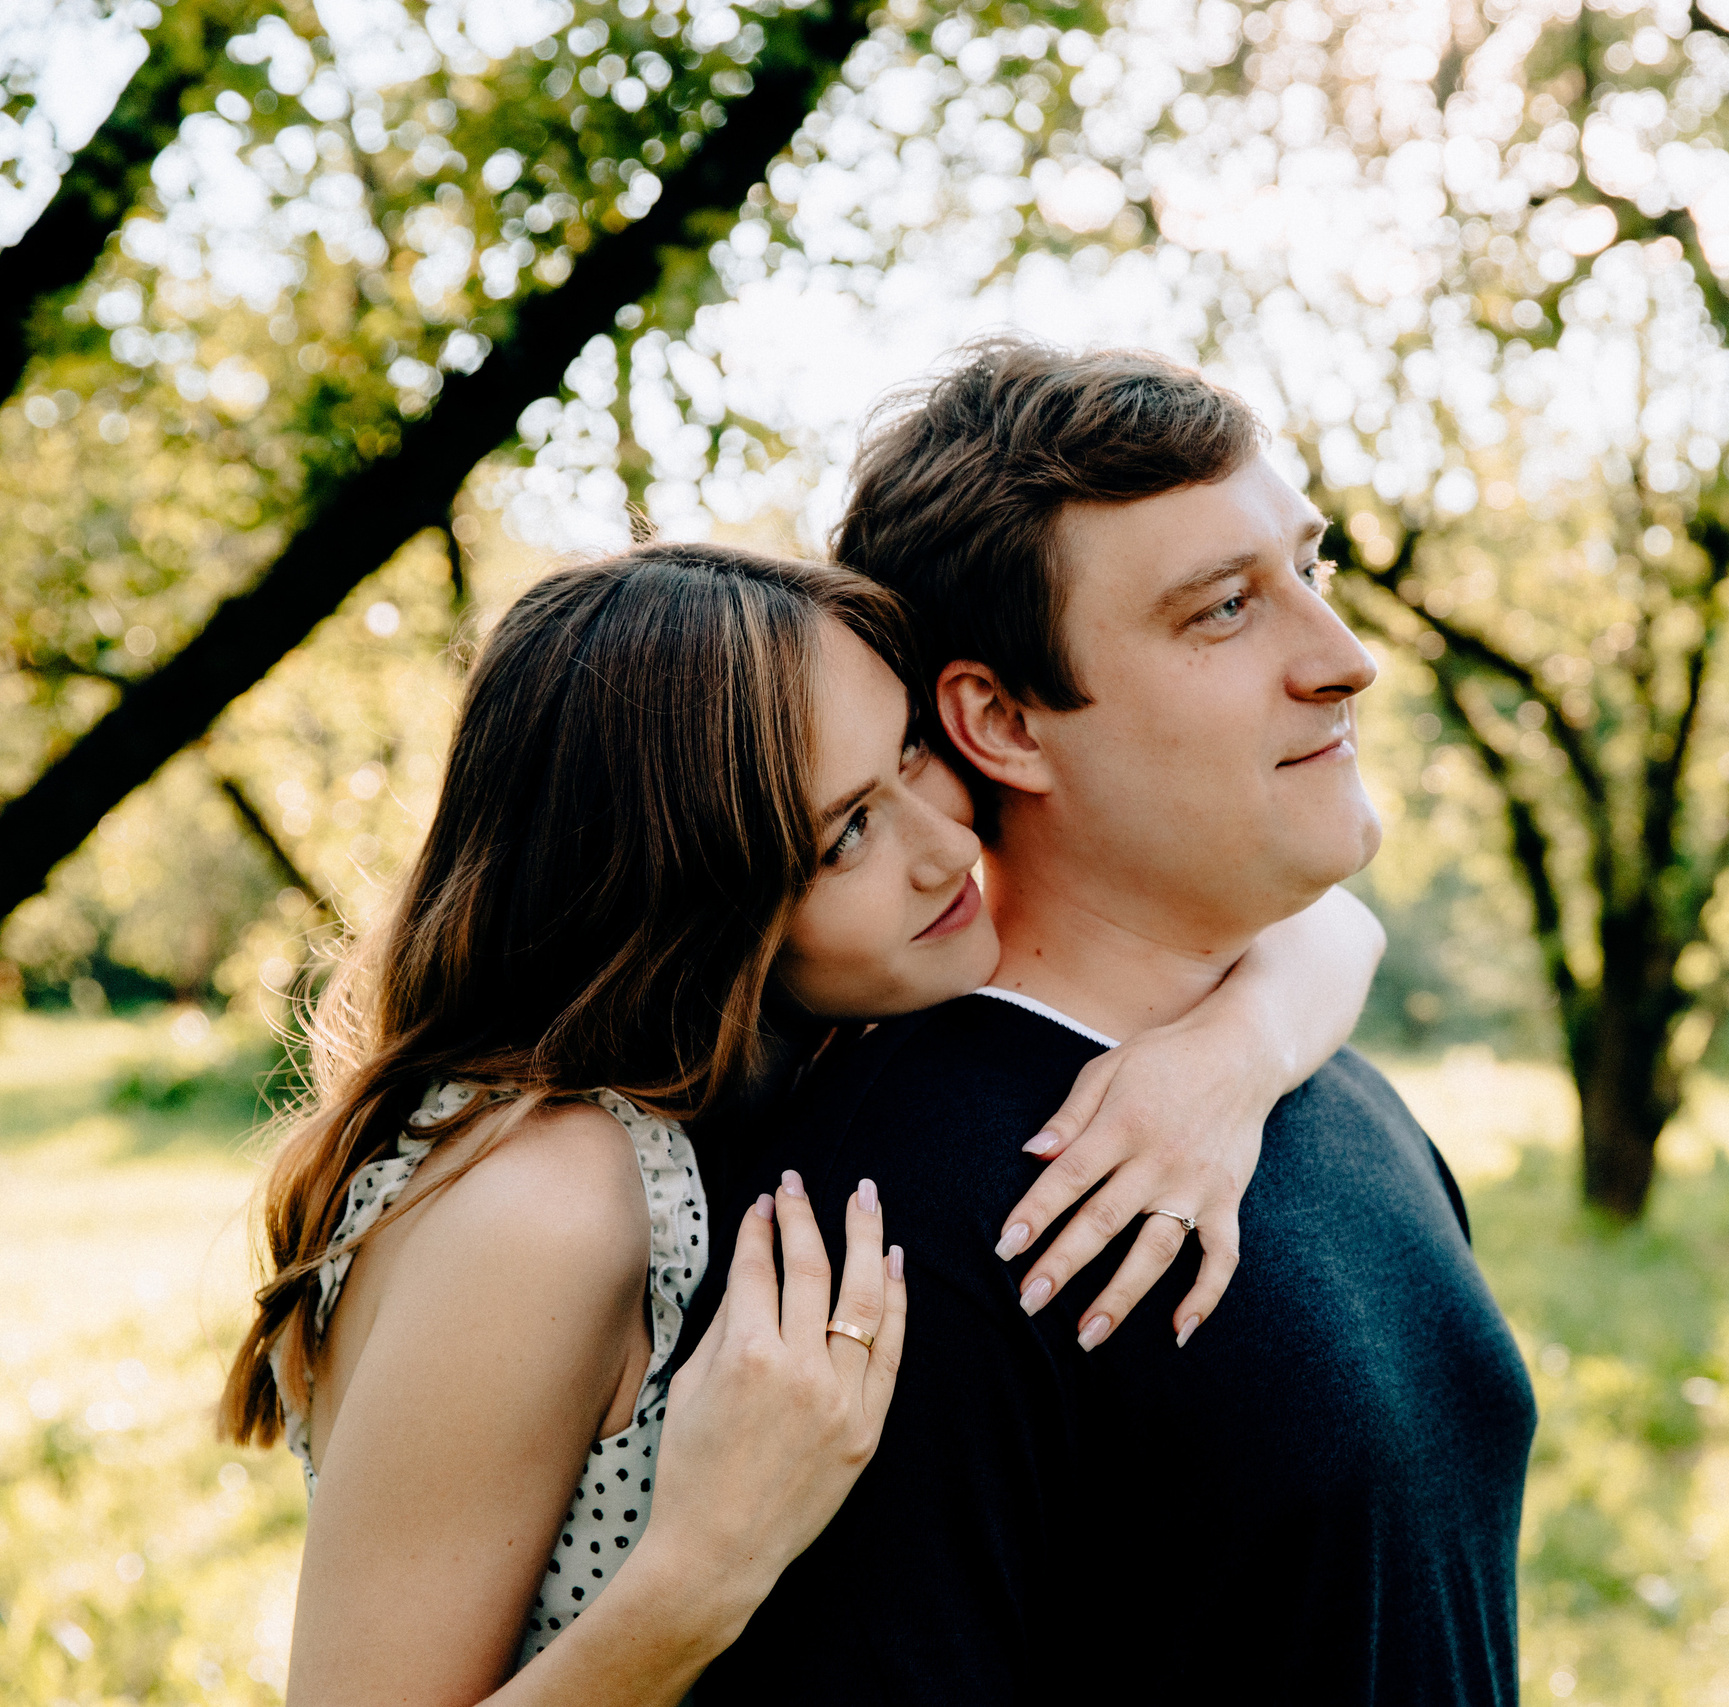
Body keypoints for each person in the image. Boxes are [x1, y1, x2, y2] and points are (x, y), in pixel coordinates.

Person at [218, 542, 1384, 1706]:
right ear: (685, 903)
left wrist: (1227, 1064)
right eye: (842, 838)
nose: (943, 846)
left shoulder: (794, 1047)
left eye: (912, 754)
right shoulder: (549, 1196)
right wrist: (709, 1565)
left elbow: (1337, 925)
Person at [691, 341, 1537, 1705]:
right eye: (1221, 611)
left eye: (1308, 572)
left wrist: (1249, 1052)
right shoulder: (891, 1241)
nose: (1347, 660)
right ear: (1005, 719)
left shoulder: (1331, 1079)